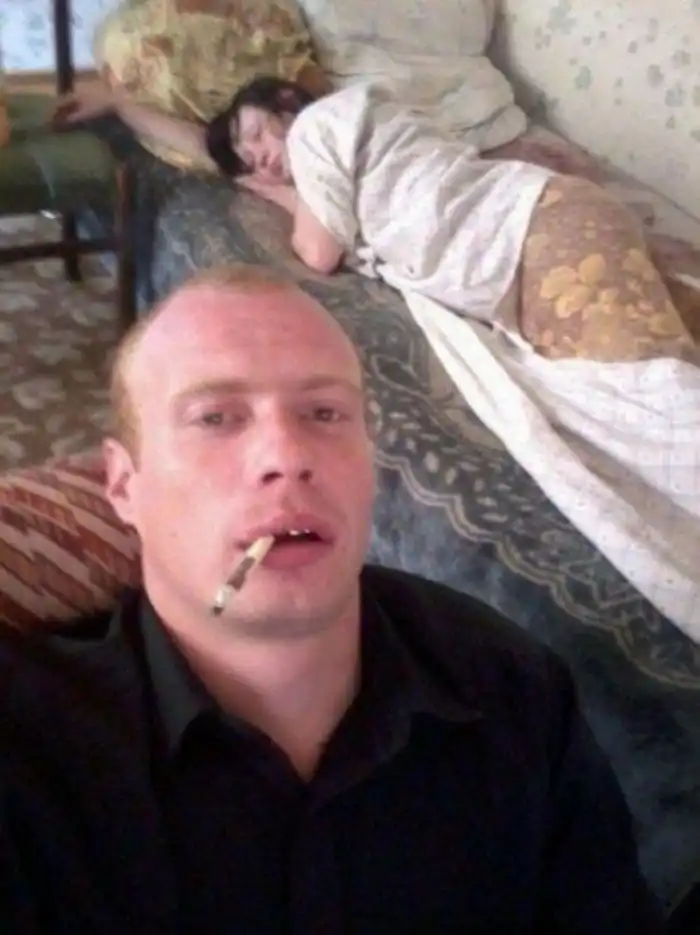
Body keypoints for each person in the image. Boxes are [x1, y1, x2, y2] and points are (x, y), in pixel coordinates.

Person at [0, 264, 665, 933]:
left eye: (324, 412)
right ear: (123, 486)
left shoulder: (511, 687)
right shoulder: (28, 754)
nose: (287, 455)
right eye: (216, 417)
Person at [55, 75, 695, 363]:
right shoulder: (344, 150)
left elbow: (317, 251)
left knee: (649, 387)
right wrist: (121, 102)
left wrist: (280, 195)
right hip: (539, 234)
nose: (262, 159)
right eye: (252, 160)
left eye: (257, 135)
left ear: (287, 101)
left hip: (536, 229)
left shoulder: (320, 126)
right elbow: (207, 151)